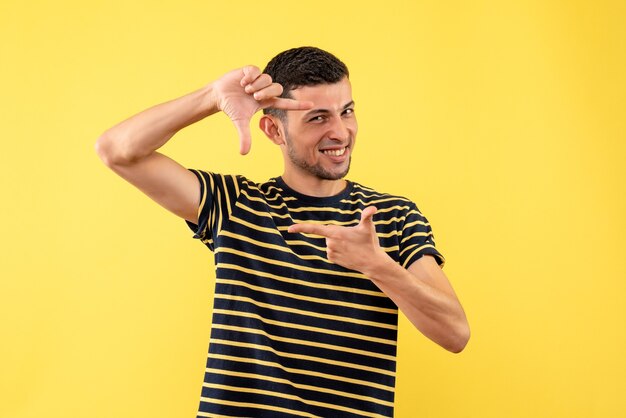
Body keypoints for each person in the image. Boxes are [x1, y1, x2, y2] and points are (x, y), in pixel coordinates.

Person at [96, 46, 470, 418]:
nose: (340, 132)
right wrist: (211, 98)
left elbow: (455, 334)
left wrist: (376, 265)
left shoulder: (392, 216)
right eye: (318, 118)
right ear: (274, 129)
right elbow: (117, 150)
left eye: (347, 112)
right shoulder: (237, 205)